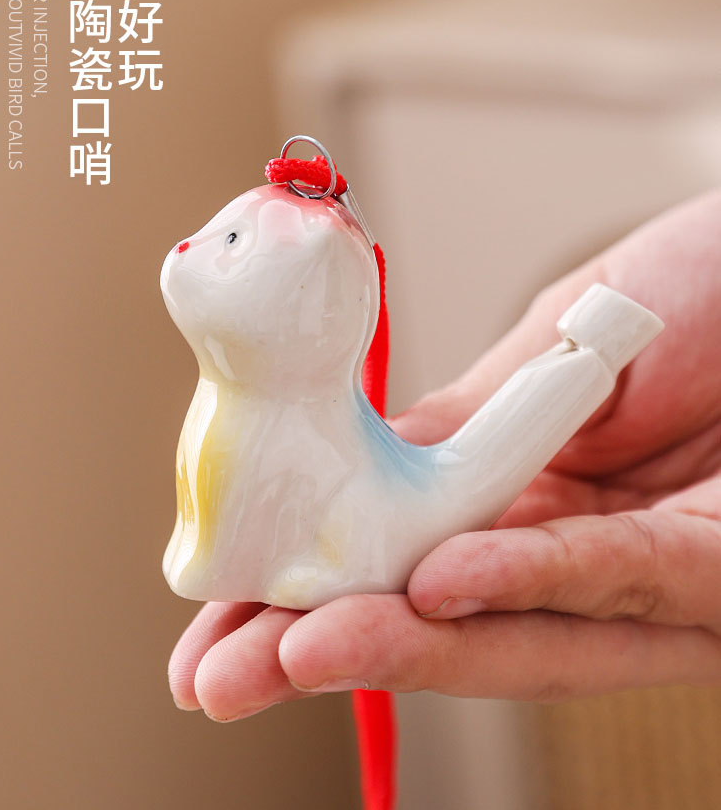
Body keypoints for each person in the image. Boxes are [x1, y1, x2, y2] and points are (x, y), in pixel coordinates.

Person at [168, 190, 721, 721]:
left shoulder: (277, 409)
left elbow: (243, 492)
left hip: (370, 528)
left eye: (232, 241)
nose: (186, 248)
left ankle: (591, 355)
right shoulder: (247, 400)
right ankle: (593, 352)